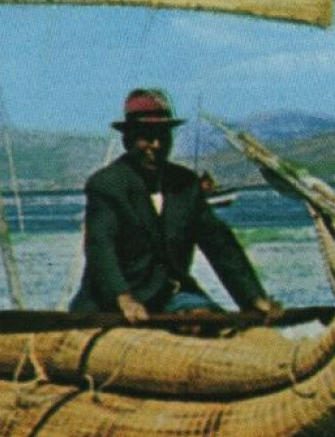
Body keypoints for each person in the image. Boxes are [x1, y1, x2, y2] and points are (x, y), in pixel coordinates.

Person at [69, 88, 283, 323]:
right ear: (128, 139)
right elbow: (101, 249)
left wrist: (253, 298)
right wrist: (124, 298)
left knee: (210, 321)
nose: (157, 145)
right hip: (113, 301)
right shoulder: (107, 185)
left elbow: (220, 245)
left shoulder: (185, 185)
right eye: (148, 137)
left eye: (163, 136)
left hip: (173, 298)